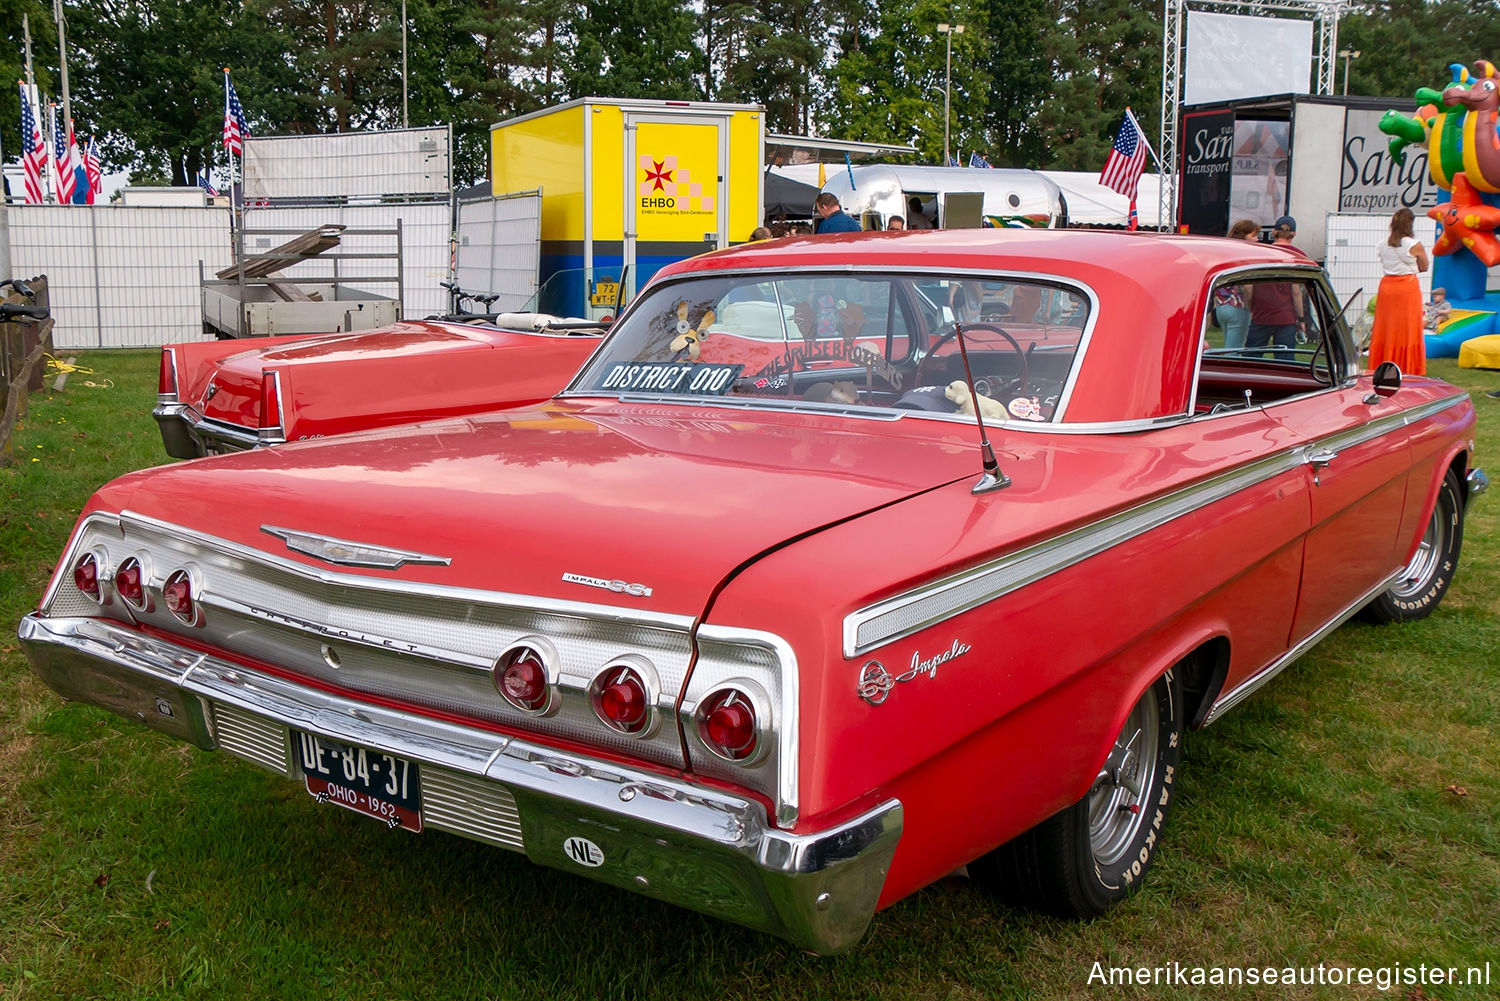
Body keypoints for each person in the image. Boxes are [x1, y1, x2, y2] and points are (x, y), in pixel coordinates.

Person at [1368, 207, 1430, 375]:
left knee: (1386, 327)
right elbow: (1424, 266)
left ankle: (1382, 362)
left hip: (1387, 287)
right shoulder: (1413, 244)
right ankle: (1407, 366)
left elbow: (1384, 261)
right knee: (1408, 328)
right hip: (1406, 287)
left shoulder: (1382, 244)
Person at [1213, 218, 1259, 350]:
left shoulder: (1225, 254)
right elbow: (1247, 286)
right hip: (1238, 307)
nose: (1257, 239)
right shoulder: (1247, 257)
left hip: (1221, 308)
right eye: (1254, 235)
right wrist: (1252, 308)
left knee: (1228, 347)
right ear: (1244, 236)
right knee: (1234, 351)